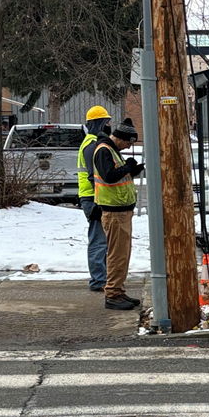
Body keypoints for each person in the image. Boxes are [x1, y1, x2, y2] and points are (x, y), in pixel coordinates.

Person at [93, 118, 145, 310]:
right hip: (114, 212)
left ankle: (118, 291)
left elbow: (118, 175)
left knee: (122, 254)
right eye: (129, 142)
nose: (129, 147)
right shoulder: (104, 150)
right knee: (117, 255)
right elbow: (109, 176)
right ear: (122, 138)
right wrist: (127, 168)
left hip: (120, 211)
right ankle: (113, 294)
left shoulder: (111, 150)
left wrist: (132, 171)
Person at [77, 105, 112, 293]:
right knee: (98, 240)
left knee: (101, 239)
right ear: (98, 123)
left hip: (91, 197)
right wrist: (99, 200)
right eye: (106, 122)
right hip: (93, 198)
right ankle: (99, 280)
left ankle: (102, 278)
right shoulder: (91, 145)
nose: (108, 126)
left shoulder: (91, 141)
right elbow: (94, 176)